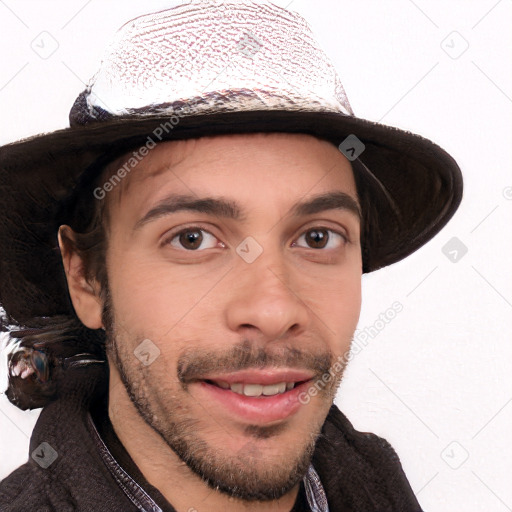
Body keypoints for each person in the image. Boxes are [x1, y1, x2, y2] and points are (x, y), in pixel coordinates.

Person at [0, 1, 462, 511]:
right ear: (86, 277)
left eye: (317, 238)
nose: (273, 311)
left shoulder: (374, 490)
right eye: (192, 238)